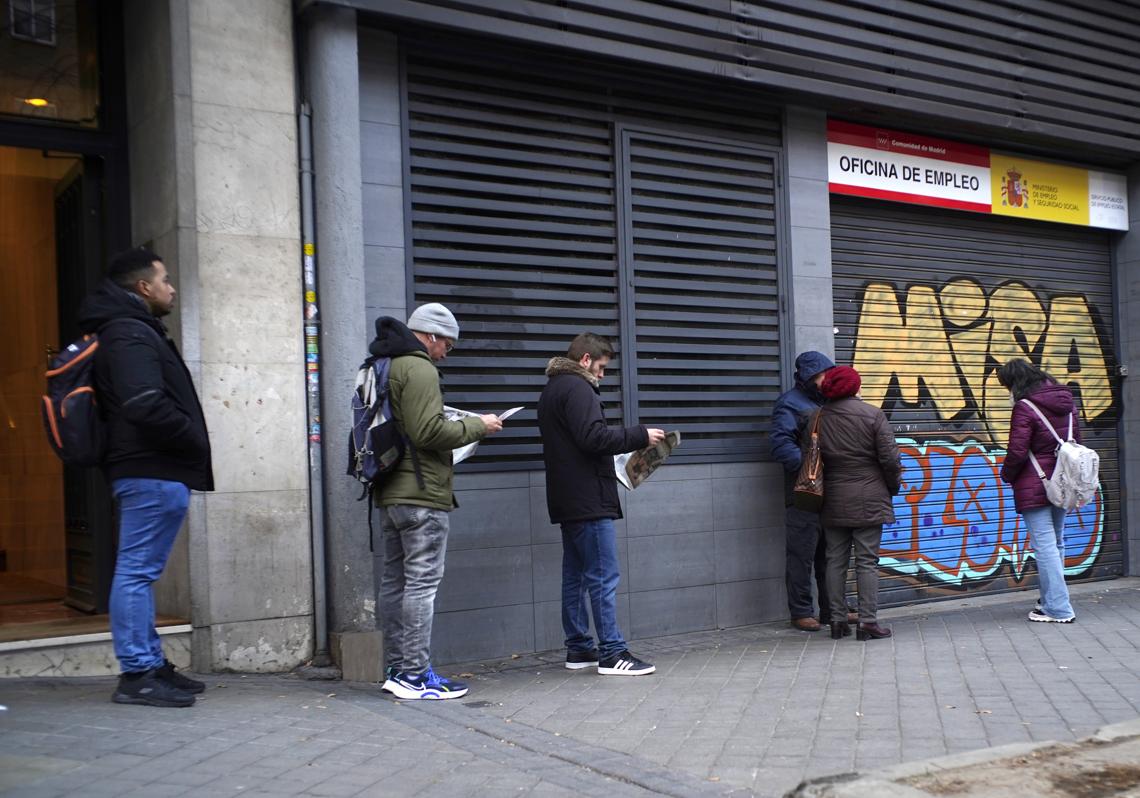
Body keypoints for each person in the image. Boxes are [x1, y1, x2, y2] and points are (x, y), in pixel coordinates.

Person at [77, 248, 213, 707]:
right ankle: (137, 674)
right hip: (149, 468)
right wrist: (191, 438)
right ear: (143, 287)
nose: (171, 287)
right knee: (135, 573)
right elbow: (143, 403)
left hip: (154, 468)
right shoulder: (129, 334)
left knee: (141, 573)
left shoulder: (133, 330)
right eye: (165, 279)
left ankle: (150, 664)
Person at [371, 303, 503, 699]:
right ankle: (415, 674)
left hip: (390, 490)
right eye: (448, 344)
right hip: (422, 493)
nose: (448, 352)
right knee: (422, 585)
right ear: (431, 336)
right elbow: (428, 432)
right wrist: (479, 425)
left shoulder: (383, 363)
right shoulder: (419, 368)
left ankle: (397, 669)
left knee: (395, 582)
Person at [538, 333, 665, 676]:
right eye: (602, 367)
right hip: (588, 499)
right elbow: (593, 438)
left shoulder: (552, 390)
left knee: (576, 577)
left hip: (568, 497)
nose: (603, 374)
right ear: (585, 360)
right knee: (603, 577)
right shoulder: (578, 389)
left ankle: (579, 648)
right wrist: (640, 435)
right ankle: (612, 651)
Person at [810, 366, 901, 641]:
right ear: (854, 387)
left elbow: (811, 459)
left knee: (834, 560)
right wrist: (891, 487)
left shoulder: (817, 418)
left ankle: (837, 622)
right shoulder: (873, 415)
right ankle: (868, 623)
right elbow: (890, 459)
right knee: (866, 561)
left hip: (833, 497)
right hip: (869, 495)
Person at [770, 351, 849, 631]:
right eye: (821, 375)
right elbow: (781, 445)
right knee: (801, 555)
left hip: (831, 490)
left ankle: (832, 609)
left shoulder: (830, 401)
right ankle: (802, 611)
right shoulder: (789, 404)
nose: (826, 379)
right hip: (803, 493)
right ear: (808, 377)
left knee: (831, 554)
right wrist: (810, 472)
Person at [997, 358, 1078, 623]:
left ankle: (1058, 609)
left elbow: (1017, 451)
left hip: (1035, 482)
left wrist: (1007, 475)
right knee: (1056, 543)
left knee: (1045, 546)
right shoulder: (1066, 402)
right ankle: (1050, 601)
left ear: (1015, 382)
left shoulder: (1025, 406)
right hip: (1063, 480)